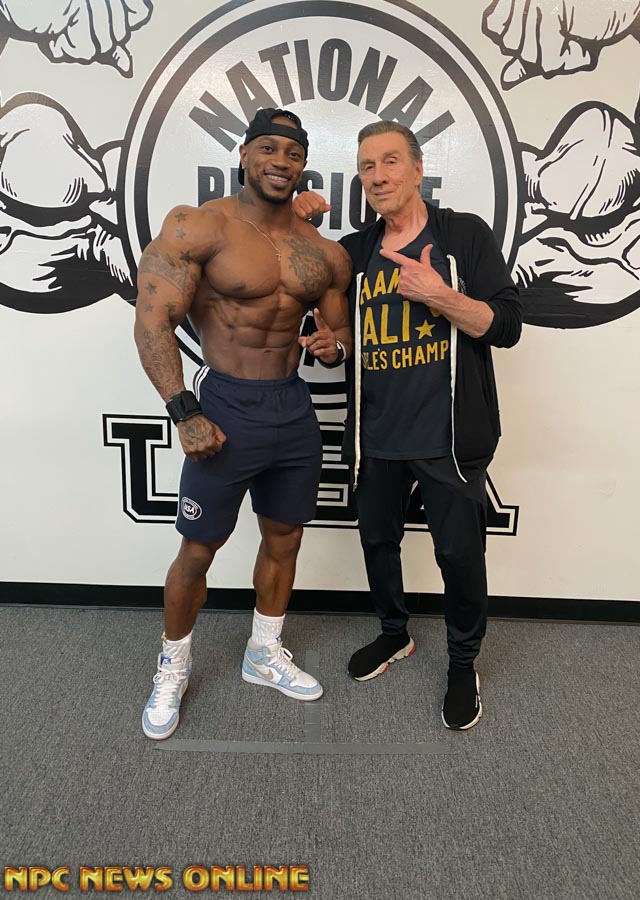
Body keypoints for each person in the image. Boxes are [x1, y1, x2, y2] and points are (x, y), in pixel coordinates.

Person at [293, 120, 522, 730]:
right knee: (377, 542)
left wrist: (439, 294)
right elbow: (348, 333)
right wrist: (337, 348)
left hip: (448, 438)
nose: (378, 176)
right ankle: (394, 633)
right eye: (367, 166)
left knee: (459, 555)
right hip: (377, 436)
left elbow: (507, 325)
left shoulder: (462, 236)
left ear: (418, 169)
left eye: (390, 161)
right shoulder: (355, 250)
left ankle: (462, 663)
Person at [134, 108, 352, 740]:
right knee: (198, 550)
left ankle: (263, 651)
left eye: (293, 152)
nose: (280, 161)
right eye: (268, 148)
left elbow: (338, 333)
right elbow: (152, 320)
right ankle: (173, 665)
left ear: (304, 164)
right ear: (244, 155)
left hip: (293, 408)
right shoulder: (199, 225)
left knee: (285, 538)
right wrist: (185, 410)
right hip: (225, 406)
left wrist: (332, 346)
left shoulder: (324, 252)